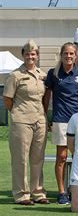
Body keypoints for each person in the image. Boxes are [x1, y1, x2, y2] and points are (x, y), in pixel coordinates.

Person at [3, 39, 49, 205]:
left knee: (38, 158)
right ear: (23, 55)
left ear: (37, 56)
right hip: (21, 121)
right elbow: (7, 99)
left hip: (39, 121)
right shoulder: (15, 75)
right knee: (20, 159)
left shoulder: (43, 75)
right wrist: (17, 113)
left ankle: (38, 192)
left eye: (34, 53)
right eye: (28, 53)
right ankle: (22, 194)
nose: (31, 56)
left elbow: (45, 98)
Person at [44, 42, 78, 205]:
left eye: (72, 54)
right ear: (61, 55)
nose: (69, 56)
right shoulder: (53, 73)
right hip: (60, 120)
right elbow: (47, 96)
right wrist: (46, 115)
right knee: (62, 157)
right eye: (66, 54)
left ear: (76, 55)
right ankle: (62, 192)